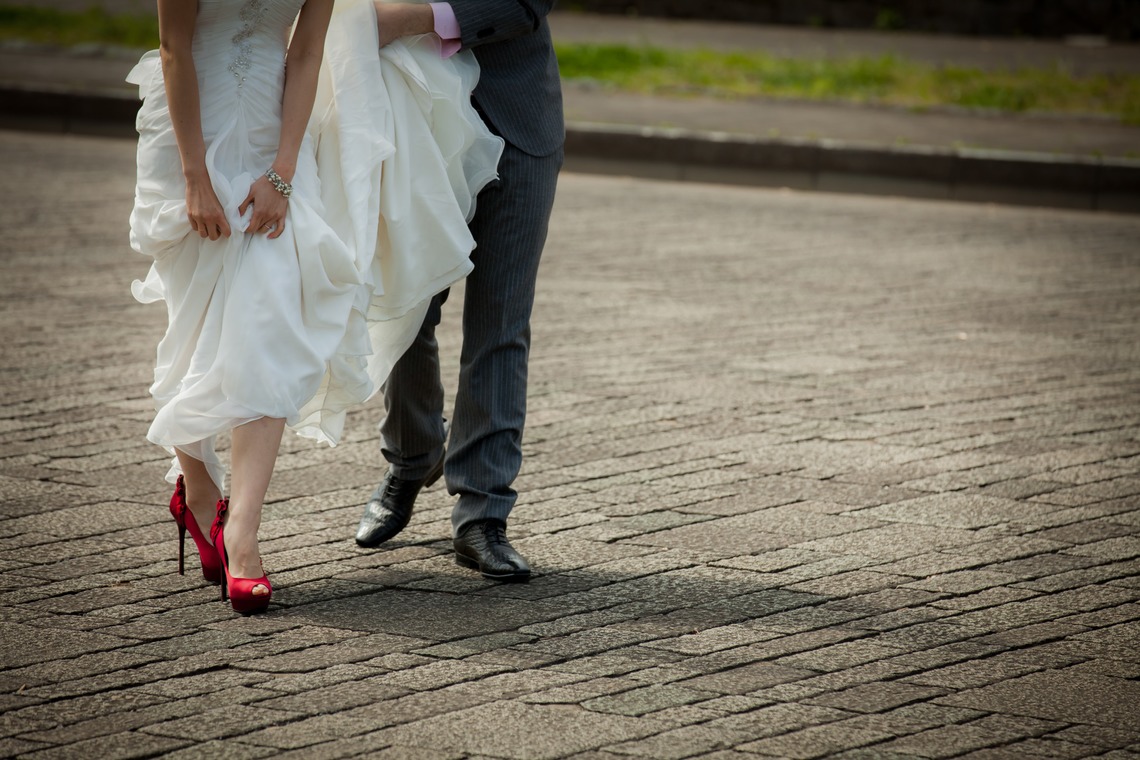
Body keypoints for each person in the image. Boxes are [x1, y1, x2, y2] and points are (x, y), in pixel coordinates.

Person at [129, 0, 502, 613]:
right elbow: (174, 50)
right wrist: (195, 177)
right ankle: (197, 492)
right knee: (194, 324)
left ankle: (243, 537)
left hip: (278, 139)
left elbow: (305, 52)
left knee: (270, 322)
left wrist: (282, 172)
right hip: (192, 135)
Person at [355, 0, 564, 583]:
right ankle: (412, 454)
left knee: (501, 321)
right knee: (407, 303)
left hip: (514, 118)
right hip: (410, 120)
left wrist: (404, 19)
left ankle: (483, 512)